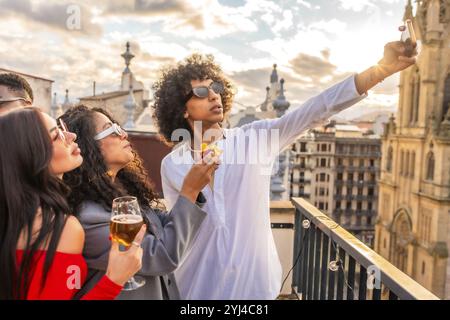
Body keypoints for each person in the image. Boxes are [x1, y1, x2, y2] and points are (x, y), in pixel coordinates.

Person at [153, 41, 417, 299]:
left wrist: (381, 70)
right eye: (200, 93)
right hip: (194, 289)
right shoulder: (172, 165)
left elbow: (316, 109)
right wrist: (192, 189)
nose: (213, 95)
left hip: (254, 289)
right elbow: (178, 233)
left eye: (216, 87)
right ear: (182, 110)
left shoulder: (255, 139)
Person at [60, 105, 218, 300]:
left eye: (119, 127)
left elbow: (166, 225)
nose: (124, 134)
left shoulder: (120, 193)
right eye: (112, 130)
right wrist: (190, 190)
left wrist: (194, 184)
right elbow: (161, 255)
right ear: (87, 146)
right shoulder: (89, 217)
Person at [0, 107, 144, 300]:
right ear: (31, 156)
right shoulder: (59, 227)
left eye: (62, 128)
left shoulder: (15, 217)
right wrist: (114, 280)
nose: (71, 135)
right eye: (56, 135)